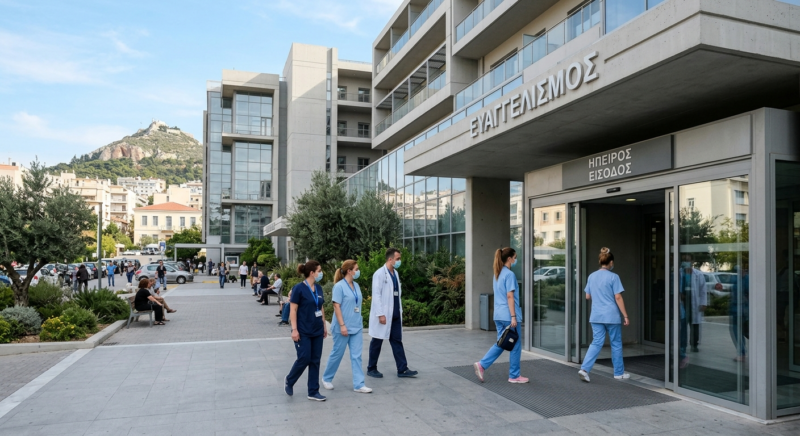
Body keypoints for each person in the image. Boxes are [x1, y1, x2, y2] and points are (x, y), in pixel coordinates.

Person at [473, 247, 529, 384]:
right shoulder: (509, 275)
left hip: (498, 314)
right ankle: (514, 375)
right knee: (515, 345)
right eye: (515, 257)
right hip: (508, 315)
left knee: (501, 343)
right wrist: (514, 317)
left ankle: (482, 365)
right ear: (509, 259)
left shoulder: (497, 273)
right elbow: (510, 296)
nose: (516, 260)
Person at [578, 247, 630, 383]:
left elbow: (587, 296)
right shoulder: (614, 277)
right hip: (611, 316)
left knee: (596, 343)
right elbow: (618, 297)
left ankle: (584, 369)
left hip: (596, 315)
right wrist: (625, 315)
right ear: (611, 262)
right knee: (616, 344)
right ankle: (618, 373)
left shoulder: (592, 276)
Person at [367, 248, 418, 379]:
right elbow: (376, 295)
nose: (399, 261)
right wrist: (380, 314)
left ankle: (402, 369)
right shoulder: (379, 274)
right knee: (377, 341)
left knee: (397, 341)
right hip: (383, 315)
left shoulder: (395, 273)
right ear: (390, 259)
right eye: (398, 259)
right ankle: (371, 368)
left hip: (395, 315)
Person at [322, 260, 372, 394]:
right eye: (356, 268)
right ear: (349, 271)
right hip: (342, 327)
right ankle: (326, 378)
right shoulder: (339, 286)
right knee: (337, 354)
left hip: (356, 326)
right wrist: (342, 325)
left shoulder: (356, 285)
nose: (358, 271)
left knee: (357, 356)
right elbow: (336, 306)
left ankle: (359, 384)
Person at [284, 260, 328, 401]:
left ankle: (313, 391)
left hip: (317, 330)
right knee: (304, 358)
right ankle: (290, 380)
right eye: (319, 271)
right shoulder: (298, 288)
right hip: (303, 330)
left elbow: (320, 307)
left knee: (315, 360)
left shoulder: (319, 288)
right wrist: (294, 329)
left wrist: (324, 326)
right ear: (312, 273)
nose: (321, 273)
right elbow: (293, 309)